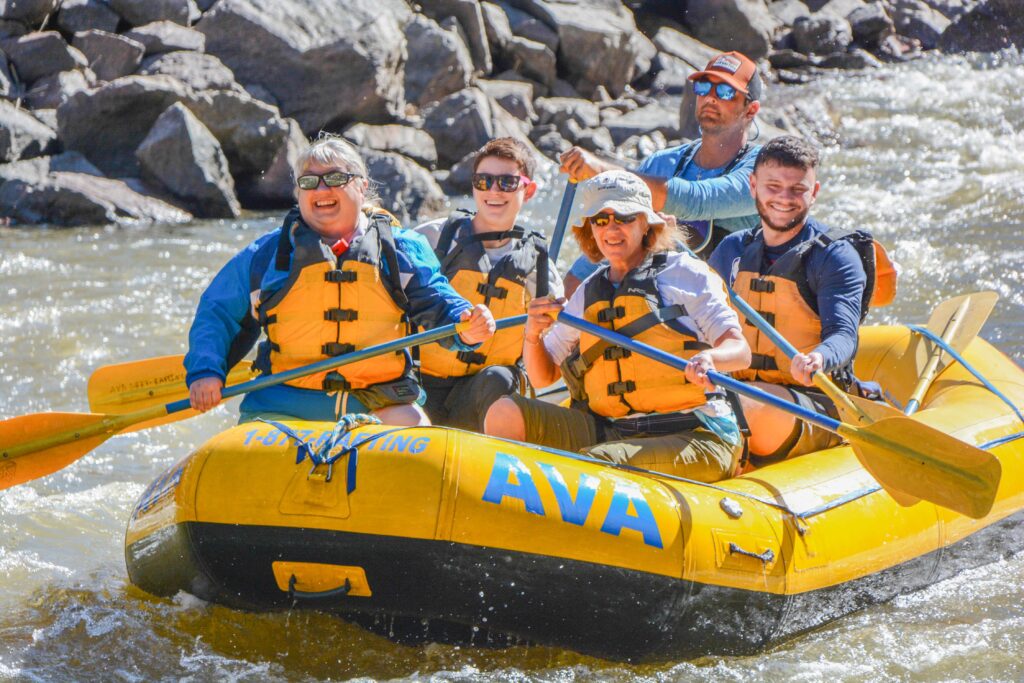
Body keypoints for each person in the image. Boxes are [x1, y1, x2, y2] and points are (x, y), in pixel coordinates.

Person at [184, 134, 496, 425]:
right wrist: (206, 371)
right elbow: (218, 312)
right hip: (282, 404)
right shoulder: (266, 255)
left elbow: (438, 300)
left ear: (361, 186)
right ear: (298, 194)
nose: (321, 190)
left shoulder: (399, 249)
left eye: (334, 178)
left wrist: (466, 323)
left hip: (380, 402)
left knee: (421, 435)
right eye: (309, 182)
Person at [484, 170, 751, 482]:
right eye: (600, 220)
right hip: (612, 430)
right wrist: (532, 334)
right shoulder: (588, 291)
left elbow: (740, 350)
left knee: (593, 464)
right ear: (591, 230)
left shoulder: (686, 274)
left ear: (646, 224)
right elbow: (544, 376)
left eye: (623, 217)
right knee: (504, 412)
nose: (611, 228)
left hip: (696, 432)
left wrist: (711, 359)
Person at [708, 135, 871, 462]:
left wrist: (820, 358)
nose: (784, 198)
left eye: (798, 189)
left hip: (812, 403)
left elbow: (843, 334)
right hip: (738, 388)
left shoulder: (835, 257)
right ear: (753, 185)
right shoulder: (732, 250)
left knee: (732, 405)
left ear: (815, 192)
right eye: (773, 186)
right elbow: (695, 320)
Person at [559, 50, 764, 297]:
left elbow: (697, 200)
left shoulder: (763, 170)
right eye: (704, 87)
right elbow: (596, 258)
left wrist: (604, 171)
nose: (710, 98)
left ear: (751, 110)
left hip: (726, 316)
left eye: (725, 92)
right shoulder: (661, 164)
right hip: (660, 317)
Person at [413, 138, 565, 430]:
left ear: (528, 190)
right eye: (483, 181)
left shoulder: (539, 268)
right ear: (473, 186)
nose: (493, 191)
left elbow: (547, 359)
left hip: (486, 392)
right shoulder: (433, 239)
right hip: (422, 383)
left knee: (499, 377)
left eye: (507, 182)